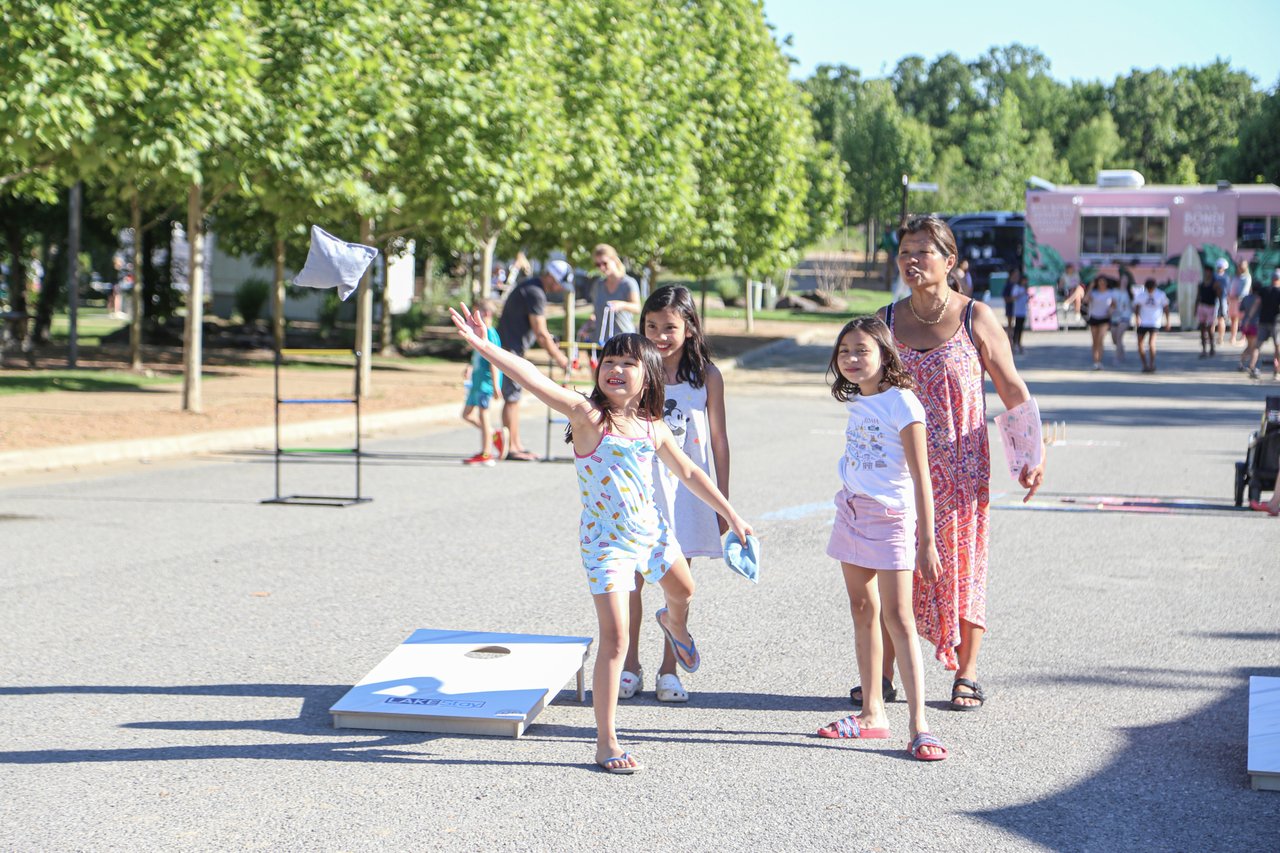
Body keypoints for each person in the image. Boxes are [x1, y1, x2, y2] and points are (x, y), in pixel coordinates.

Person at [448, 308, 752, 774]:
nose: (615, 369)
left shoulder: (652, 426)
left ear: (649, 377)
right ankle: (606, 742)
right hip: (606, 544)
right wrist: (487, 347)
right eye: (609, 361)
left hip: (651, 532)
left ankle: (673, 625)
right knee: (616, 639)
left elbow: (690, 472)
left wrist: (730, 513)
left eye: (628, 363)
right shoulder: (588, 416)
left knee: (684, 591)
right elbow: (533, 378)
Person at [870, 214, 1044, 713]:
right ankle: (883, 674)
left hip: (961, 468)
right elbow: (867, 391)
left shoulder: (975, 317)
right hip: (898, 469)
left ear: (949, 262)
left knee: (962, 564)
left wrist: (1030, 455)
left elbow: (1011, 387)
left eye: (922, 252)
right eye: (904, 252)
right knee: (894, 563)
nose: (911, 261)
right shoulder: (884, 321)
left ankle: (966, 671)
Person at [814, 316, 946, 761]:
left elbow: (922, 477)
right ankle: (872, 714)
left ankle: (919, 725)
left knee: (899, 618)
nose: (851, 358)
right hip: (852, 512)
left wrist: (927, 540)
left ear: (885, 355)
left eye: (862, 350)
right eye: (844, 351)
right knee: (862, 610)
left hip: (891, 520)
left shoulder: (903, 403)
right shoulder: (857, 399)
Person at [621, 285, 730, 705]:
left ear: (690, 328)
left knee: (677, 584)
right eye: (651, 326)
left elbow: (719, 441)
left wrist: (723, 500)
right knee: (631, 580)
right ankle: (630, 664)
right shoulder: (635, 370)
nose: (660, 336)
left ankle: (669, 669)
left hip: (687, 494)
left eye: (669, 327)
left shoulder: (707, 377)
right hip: (641, 490)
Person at [495, 259, 574, 461]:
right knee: (512, 398)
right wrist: (561, 359)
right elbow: (540, 333)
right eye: (559, 283)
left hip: (510, 347)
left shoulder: (531, 287)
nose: (559, 288)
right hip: (510, 349)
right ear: (551, 277)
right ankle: (512, 448)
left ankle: (516, 445)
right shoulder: (535, 292)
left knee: (514, 397)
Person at [459, 299, 505, 465]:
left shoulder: (490, 333)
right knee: (466, 414)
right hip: (476, 381)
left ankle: (487, 453)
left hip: (486, 382)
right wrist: (470, 367)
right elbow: (479, 355)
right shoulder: (480, 333)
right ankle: (493, 434)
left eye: (476, 313)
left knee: (483, 415)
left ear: (486, 314)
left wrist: (496, 385)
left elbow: (494, 361)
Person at [585, 244, 641, 345]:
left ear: (614, 260)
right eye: (598, 264)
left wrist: (621, 305)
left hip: (624, 340)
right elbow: (596, 312)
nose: (602, 267)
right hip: (602, 342)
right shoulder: (598, 285)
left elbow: (637, 308)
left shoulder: (628, 283)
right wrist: (587, 326)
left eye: (604, 263)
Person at [1245, 269, 1280, 380]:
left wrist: (1248, 319)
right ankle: (1277, 371)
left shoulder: (1264, 290)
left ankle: (1252, 367)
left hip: (1263, 321)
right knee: (1277, 347)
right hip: (1276, 323)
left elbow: (1256, 304)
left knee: (1257, 346)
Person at [1133, 279, 1171, 373]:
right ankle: (1144, 364)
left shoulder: (1160, 294)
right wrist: (1137, 318)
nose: (1150, 291)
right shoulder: (1141, 295)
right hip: (1143, 322)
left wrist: (1167, 321)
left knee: (1151, 343)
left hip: (1155, 322)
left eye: (1151, 289)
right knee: (1140, 344)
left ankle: (1152, 364)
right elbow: (1137, 307)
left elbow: (1166, 308)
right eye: (1148, 289)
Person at [1084, 277, 1115, 370]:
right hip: (1094, 317)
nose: (1102, 284)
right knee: (1095, 341)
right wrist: (1090, 287)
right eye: (1100, 282)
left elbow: (1114, 304)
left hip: (1105, 318)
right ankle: (1095, 361)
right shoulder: (1094, 293)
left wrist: (1111, 310)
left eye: (1103, 282)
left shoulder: (1110, 293)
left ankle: (1099, 361)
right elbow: (1085, 300)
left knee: (1100, 339)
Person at [1198, 262, 1224, 357]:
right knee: (1202, 328)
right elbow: (1198, 296)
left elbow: (1219, 296)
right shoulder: (1201, 283)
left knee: (1210, 328)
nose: (1206, 273)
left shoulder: (1215, 283)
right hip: (1202, 306)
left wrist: (1221, 308)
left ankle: (1212, 347)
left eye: (1208, 271)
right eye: (1205, 271)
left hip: (1211, 307)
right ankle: (1204, 349)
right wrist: (1195, 308)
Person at [1109, 276, 1133, 365]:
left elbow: (1134, 305)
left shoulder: (1130, 293)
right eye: (1122, 280)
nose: (1124, 282)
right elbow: (1112, 304)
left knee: (1119, 337)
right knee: (1114, 339)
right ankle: (1122, 351)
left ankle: (1117, 358)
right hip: (1115, 317)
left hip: (1125, 317)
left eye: (1126, 281)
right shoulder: (1114, 292)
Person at [1229, 259, 1252, 346]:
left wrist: (1237, 297)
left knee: (1243, 320)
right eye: (1240, 265)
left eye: (1242, 265)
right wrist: (1230, 296)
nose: (1240, 267)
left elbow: (1245, 290)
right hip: (1233, 301)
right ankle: (1233, 337)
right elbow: (1231, 287)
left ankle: (1243, 338)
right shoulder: (1235, 277)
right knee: (1233, 319)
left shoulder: (1247, 277)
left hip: (1242, 301)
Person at [1006, 269, 1029, 355]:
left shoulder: (1025, 289)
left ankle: (1019, 342)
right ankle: (1014, 343)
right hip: (1017, 311)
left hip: (1023, 311)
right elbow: (1013, 297)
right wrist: (1021, 294)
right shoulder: (1017, 288)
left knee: (1021, 328)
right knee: (1017, 328)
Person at [1214, 257, 1232, 347]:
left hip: (1220, 300)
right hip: (1220, 299)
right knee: (1217, 319)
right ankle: (1218, 338)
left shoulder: (1214, 276)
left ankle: (1219, 338)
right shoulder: (1226, 278)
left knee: (1219, 319)